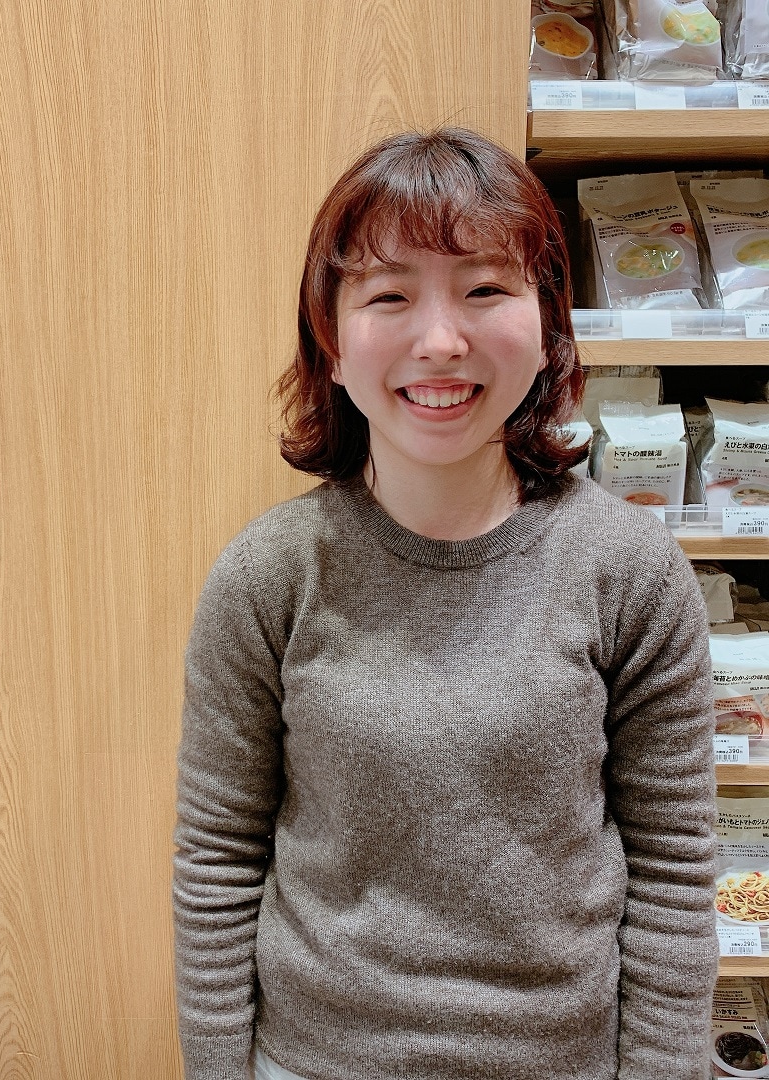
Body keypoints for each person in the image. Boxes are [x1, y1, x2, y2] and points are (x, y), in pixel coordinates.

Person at [172, 128, 716, 1080]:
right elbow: (217, 858)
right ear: (331, 344)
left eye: (485, 289)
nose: (439, 341)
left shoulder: (631, 571)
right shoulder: (269, 575)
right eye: (389, 296)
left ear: (547, 328)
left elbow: (673, 873)